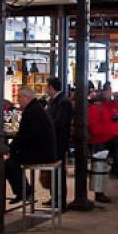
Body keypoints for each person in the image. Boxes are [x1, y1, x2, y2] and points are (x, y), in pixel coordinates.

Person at [5, 87, 57, 204]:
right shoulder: (36, 109)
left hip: (41, 153)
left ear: (26, 98)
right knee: (11, 160)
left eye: (19, 97)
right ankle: (23, 191)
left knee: (9, 163)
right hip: (45, 151)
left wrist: (10, 150)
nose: (18, 100)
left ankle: (24, 192)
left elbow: (23, 135)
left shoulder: (31, 111)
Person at [88, 91, 118, 203]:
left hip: (103, 140)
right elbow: (94, 126)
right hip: (99, 140)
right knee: (99, 168)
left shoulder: (99, 108)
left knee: (101, 168)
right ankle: (99, 193)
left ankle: (100, 192)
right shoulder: (96, 108)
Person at [46, 77, 73, 207]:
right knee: (54, 171)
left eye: (47, 87)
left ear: (51, 87)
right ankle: (54, 197)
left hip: (59, 142)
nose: (46, 90)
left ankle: (60, 200)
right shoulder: (54, 101)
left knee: (59, 171)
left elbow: (61, 123)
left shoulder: (63, 102)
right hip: (54, 141)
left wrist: (46, 124)